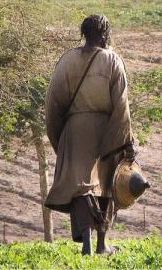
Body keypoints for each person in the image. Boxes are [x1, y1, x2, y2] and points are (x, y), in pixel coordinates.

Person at [44, 14, 135, 255]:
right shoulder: (113, 61)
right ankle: (102, 244)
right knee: (106, 187)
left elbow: (53, 104)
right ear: (105, 34)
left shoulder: (66, 61)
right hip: (106, 129)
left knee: (81, 188)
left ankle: (86, 244)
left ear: (84, 33)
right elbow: (122, 104)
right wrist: (124, 139)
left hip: (74, 131)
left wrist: (59, 139)